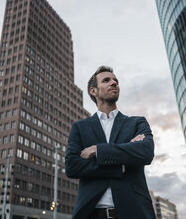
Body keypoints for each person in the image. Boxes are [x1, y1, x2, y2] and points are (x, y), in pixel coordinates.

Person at [65, 66, 156, 219]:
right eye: (106, 80)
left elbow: (145, 152)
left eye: (116, 80)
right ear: (93, 91)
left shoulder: (137, 123)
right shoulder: (80, 127)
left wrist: (98, 151)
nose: (114, 83)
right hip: (92, 214)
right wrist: (121, 164)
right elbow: (72, 166)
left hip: (135, 212)